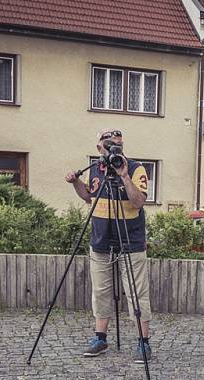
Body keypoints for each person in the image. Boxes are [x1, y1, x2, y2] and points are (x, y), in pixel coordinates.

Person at [65, 128, 152, 363]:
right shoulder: (95, 169)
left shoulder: (135, 168)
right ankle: (100, 338)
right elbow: (88, 197)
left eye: (119, 145)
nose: (115, 149)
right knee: (101, 292)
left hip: (130, 240)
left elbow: (139, 201)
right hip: (101, 239)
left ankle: (144, 344)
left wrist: (123, 176)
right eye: (110, 145)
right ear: (99, 148)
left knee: (137, 293)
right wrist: (76, 183)